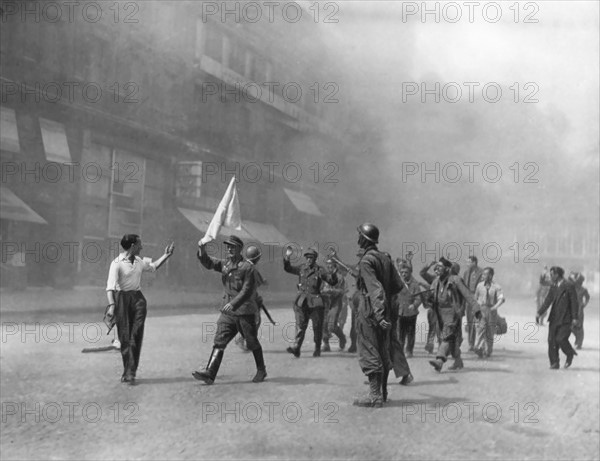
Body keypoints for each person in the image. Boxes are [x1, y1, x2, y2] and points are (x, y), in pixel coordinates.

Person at [192, 235, 267, 384]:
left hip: (245, 311)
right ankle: (210, 373)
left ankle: (261, 370)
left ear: (240, 249)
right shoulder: (225, 264)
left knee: (251, 342)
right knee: (219, 340)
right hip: (228, 312)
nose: (229, 249)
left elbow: (247, 290)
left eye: (233, 247)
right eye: (228, 246)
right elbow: (208, 263)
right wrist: (202, 249)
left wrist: (234, 304)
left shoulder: (248, 268)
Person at [105, 235, 174, 384]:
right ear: (132, 246)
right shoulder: (116, 263)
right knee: (125, 337)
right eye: (139, 244)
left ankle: (130, 372)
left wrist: (166, 255)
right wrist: (111, 307)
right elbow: (110, 287)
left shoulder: (139, 261)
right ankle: (128, 371)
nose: (141, 247)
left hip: (138, 300)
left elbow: (154, 266)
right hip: (122, 300)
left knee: (136, 335)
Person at [353, 223, 404, 407]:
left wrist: (379, 315)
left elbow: (376, 289)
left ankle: (374, 396)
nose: (357, 238)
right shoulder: (385, 258)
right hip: (385, 310)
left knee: (369, 350)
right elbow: (397, 286)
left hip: (371, 311)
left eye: (359, 235)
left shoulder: (367, 261)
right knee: (383, 351)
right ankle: (382, 393)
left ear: (364, 239)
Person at [425, 257, 481, 372]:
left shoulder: (455, 280)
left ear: (447, 269)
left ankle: (439, 360)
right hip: (439, 314)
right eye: (436, 267)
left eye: (440, 267)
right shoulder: (435, 282)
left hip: (453, 313)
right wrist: (429, 299)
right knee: (448, 339)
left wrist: (476, 309)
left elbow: (467, 294)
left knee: (447, 336)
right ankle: (458, 360)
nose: (437, 269)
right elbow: (431, 297)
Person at [284, 247, 338, 358]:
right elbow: (288, 268)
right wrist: (287, 257)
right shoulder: (301, 268)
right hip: (302, 301)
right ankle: (296, 348)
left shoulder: (320, 270)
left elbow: (332, 281)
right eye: (307, 257)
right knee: (300, 326)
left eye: (311, 258)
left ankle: (317, 348)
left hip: (316, 303)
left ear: (315, 259)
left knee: (317, 327)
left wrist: (333, 273)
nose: (309, 260)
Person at [537, 266, 579, 369]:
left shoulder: (569, 285)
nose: (550, 277)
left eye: (552, 275)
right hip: (554, 318)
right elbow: (548, 301)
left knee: (561, 339)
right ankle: (554, 363)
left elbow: (574, 302)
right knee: (551, 340)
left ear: (557, 275)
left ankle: (569, 354)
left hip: (566, 318)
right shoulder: (554, 286)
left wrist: (574, 318)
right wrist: (539, 312)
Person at [234, 245, 266, 352]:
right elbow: (259, 282)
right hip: (249, 301)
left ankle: (246, 340)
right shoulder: (252, 269)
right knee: (255, 321)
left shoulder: (241, 265)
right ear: (257, 258)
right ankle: (246, 341)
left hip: (239, 300)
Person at [473, 267, 505, 358]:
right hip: (481, 310)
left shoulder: (497, 287)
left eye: (485, 274)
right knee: (480, 329)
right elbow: (475, 298)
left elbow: (501, 299)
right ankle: (478, 348)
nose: (483, 276)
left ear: (490, 275)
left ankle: (488, 351)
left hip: (491, 311)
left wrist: (495, 307)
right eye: (483, 274)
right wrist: (478, 305)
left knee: (490, 332)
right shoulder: (479, 286)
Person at [396, 263, 422, 358]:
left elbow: (419, 298)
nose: (403, 274)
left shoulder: (414, 285)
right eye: (402, 272)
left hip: (411, 314)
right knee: (400, 333)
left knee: (410, 333)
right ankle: (400, 350)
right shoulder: (398, 284)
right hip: (400, 312)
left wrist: (414, 305)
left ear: (410, 273)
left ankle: (409, 350)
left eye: (406, 272)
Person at [321, 259, 347, 352]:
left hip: (335, 303)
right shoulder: (324, 277)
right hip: (325, 302)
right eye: (327, 266)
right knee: (323, 323)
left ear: (335, 267)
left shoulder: (340, 278)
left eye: (331, 266)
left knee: (331, 326)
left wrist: (330, 291)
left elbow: (341, 291)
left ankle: (342, 337)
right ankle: (326, 344)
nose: (329, 268)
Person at [462, 256, 483, 350]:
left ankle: (481, 345)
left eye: (469, 262)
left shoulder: (482, 272)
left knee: (479, 323)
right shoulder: (466, 273)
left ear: (474, 262)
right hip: (468, 300)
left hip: (478, 300)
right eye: (467, 262)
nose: (467, 264)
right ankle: (471, 344)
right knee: (470, 322)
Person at [419, 261, 440, 354]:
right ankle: (430, 345)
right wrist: (429, 265)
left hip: (444, 308)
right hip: (433, 307)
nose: (437, 271)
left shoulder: (449, 280)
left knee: (441, 328)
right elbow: (422, 273)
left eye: (439, 269)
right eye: (436, 270)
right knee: (432, 326)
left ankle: (441, 348)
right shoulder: (433, 279)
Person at [569, 271, 590, 350]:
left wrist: (584, 304)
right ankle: (578, 339)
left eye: (579, 281)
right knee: (570, 326)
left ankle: (579, 343)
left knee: (579, 327)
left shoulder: (583, 290)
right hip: (572, 309)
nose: (578, 282)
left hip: (579, 310)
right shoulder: (572, 287)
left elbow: (587, 297)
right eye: (577, 280)